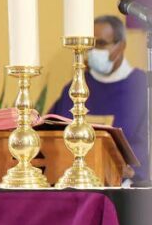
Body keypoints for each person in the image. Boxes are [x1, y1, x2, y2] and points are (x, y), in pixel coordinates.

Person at [51, 15, 149, 181]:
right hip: (74, 181)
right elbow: (52, 133)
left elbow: (145, 142)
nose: (94, 51)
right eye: (90, 45)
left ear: (121, 46)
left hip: (126, 188)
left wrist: (131, 170)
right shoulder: (75, 87)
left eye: (101, 44)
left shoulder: (143, 86)